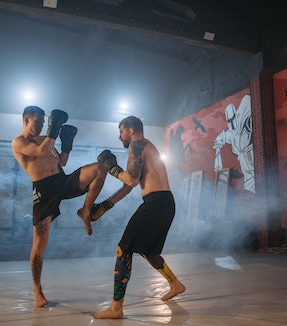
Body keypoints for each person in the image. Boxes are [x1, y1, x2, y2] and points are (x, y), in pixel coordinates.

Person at [11, 105, 107, 307]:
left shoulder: (46, 140)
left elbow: (62, 162)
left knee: (99, 168)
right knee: (40, 242)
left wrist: (67, 144)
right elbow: (39, 151)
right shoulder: (19, 142)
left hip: (62, 181)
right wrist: (54, 130)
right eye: (38, 121)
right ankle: (37, 290)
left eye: (45, 122)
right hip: (44, 191)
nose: (41, 126)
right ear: (26, 119)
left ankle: (85, 210)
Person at [91, 115, 186, 319]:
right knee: (148, 251)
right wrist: (106, 205)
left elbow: (131, 180)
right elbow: (128, 186)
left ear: (131, 130)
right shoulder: (144, 147)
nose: (120, 137)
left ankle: (116, 308)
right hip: (163, 203)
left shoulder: (138, 145)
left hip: (157, 203)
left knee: (123, 249)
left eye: (121, 132)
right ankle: (175, 284)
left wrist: (111, 167)